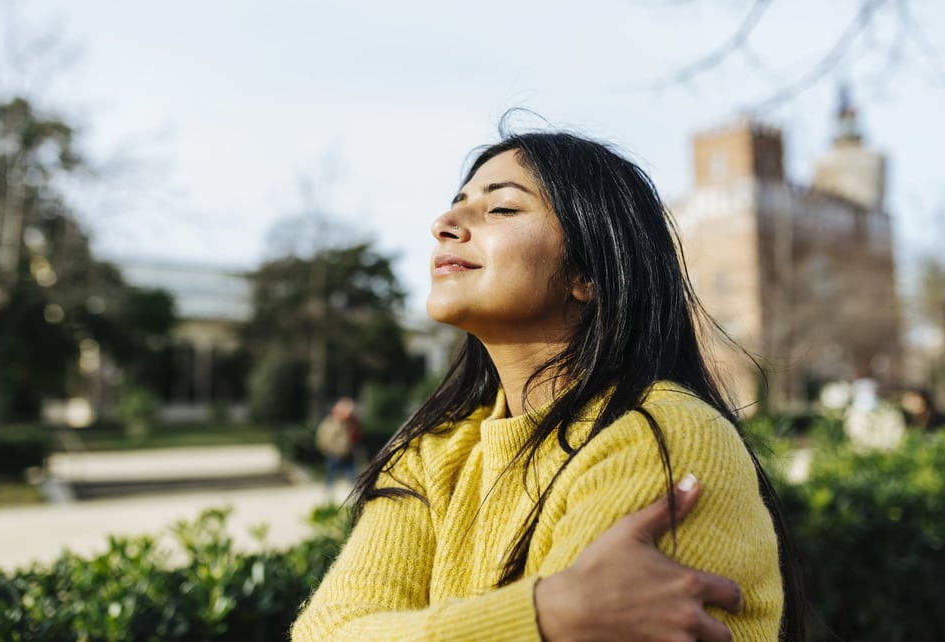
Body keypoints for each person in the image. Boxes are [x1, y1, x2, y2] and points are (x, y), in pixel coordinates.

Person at [292, 128, 804, 641]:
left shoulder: (661, 437)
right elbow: (324, 631)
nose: (444, 224)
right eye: (456, 204)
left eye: (502, 209)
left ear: (588, 272)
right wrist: (542, 616)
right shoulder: (429, 455)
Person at [315, 397, 361, 485]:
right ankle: (328, 493)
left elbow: (356, 435)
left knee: (351, 474)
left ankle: (355, 491)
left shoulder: (349, 423)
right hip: (334, 453)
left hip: (347, 452)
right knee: (331, 474)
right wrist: (327, 449)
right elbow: (325, 438)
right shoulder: (332, 422)